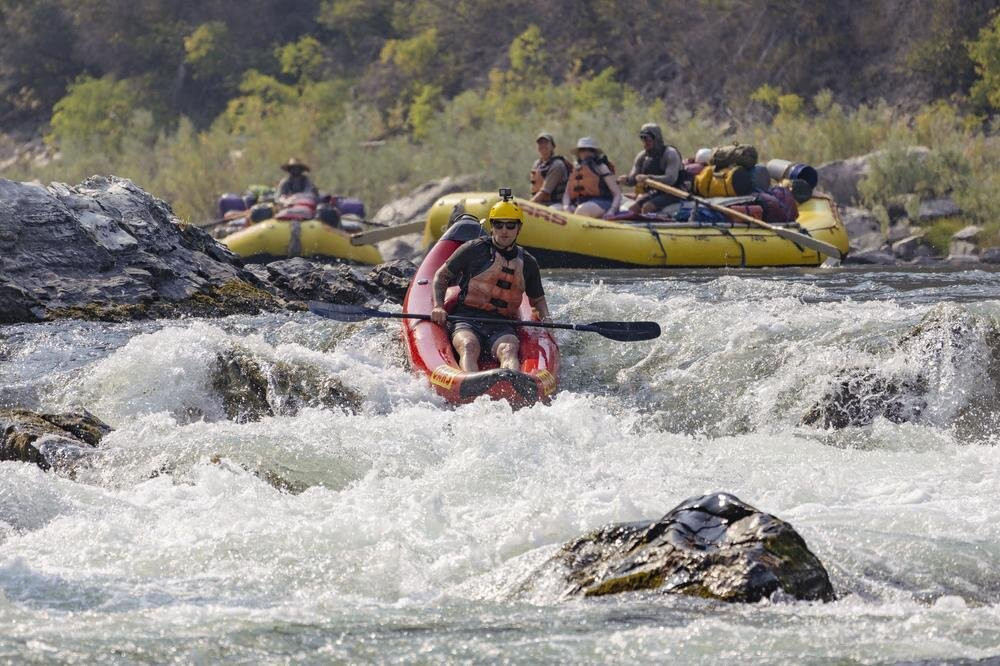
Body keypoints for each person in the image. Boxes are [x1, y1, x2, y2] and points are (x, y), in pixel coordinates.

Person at [430, 189, 551, 372]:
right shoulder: (473, 249)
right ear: (492, 226)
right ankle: (469, 388)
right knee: (469, 346)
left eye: (510, 226)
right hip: (466, 319)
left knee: (509, 350)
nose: (504, 230)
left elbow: (538, 300)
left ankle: (513, 388)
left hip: (502, 324)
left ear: (519, 228)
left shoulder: (528, 263)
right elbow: (441, 277)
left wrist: (547, 318)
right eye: (499, 225)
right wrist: (439, 306)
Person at [618, 123, 686, 214]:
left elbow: (671, 179)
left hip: (676, 192)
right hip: (657, 192)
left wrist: (648, 178)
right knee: (632, 209)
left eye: (647, 138)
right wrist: (626, 180)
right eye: (642, 138)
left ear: (656, 138)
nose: (645, 141)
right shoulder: (642, 156)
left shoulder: (670, 153)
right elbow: (633, 180)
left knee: (647, 207)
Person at [562, 137, 622, 219]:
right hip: (580, 202)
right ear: (578, 153)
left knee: (582, 210)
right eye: (582, 150)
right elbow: (566, 194)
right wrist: (566, 206)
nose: (586, 153)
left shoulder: (601, 167)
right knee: (560, 211)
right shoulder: (575, 168)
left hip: (602, 202)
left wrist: (612, 210)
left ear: (594, 153)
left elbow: (617, 194)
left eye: (590, 150)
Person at [529, 132, 570, 205]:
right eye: (540, 143)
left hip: (556, 204)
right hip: (540, 202)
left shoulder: (557, 164)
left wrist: (530, 204)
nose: (543, 145)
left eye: (546, 143)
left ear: (553, 146)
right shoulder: (537, 164)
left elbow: (545, 192)